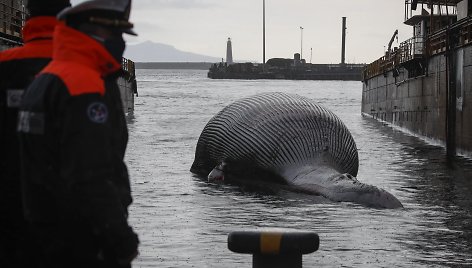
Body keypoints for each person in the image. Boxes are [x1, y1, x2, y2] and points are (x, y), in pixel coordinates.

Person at [17, 0, 139, 267]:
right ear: (92, 30)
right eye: (114, 32)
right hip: (83, 242)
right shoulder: (83, 85)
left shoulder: (46, 79)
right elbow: (89, 176)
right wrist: (121, 240)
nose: (120, 42)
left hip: (42, 235)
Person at [0, 1, 70, 267]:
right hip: (64, 223)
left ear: (27, 14)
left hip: (7, 217)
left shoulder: (4, 66)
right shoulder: (84, 73)